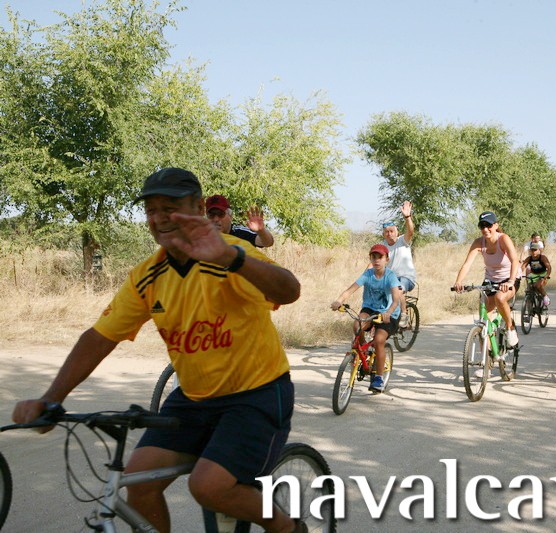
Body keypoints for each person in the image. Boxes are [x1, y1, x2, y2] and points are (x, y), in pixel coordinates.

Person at [12, 168, 302, 532]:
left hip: (256, 395)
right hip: (193, 399)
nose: (160, 217)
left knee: (208, 487)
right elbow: (100, 337)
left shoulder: (231, 253)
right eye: (151, 209)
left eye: (171, 207)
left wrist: (232, 258)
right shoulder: (148, 275)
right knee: (137, 483)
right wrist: (51, 398)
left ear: (198, 208)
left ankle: (287, 528)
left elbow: (289, 291)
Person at [331, 244, 402, 392]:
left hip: (389, 313)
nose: (376, 260)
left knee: (379, 340)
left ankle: (379, 378)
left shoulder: (390, 276)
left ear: (387, 259)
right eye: (373, 257)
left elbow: (396, 300)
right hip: (370, 309)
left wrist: (389, 312)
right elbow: (350, 290)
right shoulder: (368, 275)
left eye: (380, 257)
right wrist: (339, 301)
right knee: (357, 325)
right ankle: (362, 350)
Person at [453, 211, 520, 347]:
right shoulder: (478, 243)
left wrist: (510, 282)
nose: (485, 229)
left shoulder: (503, 239)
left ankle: (510, 327)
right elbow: (467, 264)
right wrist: (458, 281)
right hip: (491, 279)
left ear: (496, 225)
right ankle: (488, 357)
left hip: (510, 277)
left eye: (488, 225)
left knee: (500, 298)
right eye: (482, 226)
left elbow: (514, 260)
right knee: (484, 319)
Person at [380, 201, 417, 328]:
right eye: (386, 232)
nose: (389, 234)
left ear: (397, 232)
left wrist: (407, 217)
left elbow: (411, 231)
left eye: (391, 231)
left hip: (407, 278)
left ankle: (404, 314)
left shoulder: (403, 240)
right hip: (391, 278)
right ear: (383, 234)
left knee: (398, 289)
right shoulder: (382, 247)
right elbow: (374, 263)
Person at [206, 194, 274, 248]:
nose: (216, 219)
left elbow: (268, 242)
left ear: (230, 216)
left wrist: (260, 230)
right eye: (211, 215)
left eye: (220, 214)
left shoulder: (241, 233)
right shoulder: (203, 238)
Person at [521, 241, 552, 306]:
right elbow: (522, 267)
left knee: (538, 286)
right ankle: (530, 304)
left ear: (539, 250)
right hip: (533, 275)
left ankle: (545, 296)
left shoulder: (543, 258)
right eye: (532, 250)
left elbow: (549, 268)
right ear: (530, 251)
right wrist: (518, 274)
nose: (533, 252)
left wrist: (546, 276)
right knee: (529, 288)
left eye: (535, 250)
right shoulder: (529, 258)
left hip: (542, 274)